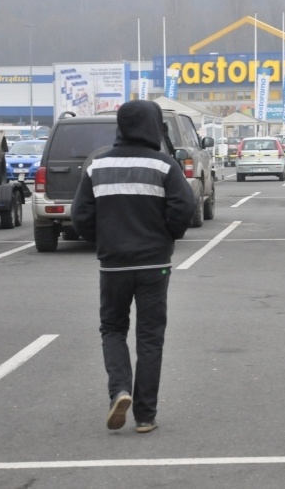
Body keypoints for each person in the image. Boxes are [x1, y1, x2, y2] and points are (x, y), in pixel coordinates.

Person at [73, 100, 195, 433]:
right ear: (153, 126)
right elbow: (184, 208)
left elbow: (81, 216)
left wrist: (104, 241)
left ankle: (120, 390)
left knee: (113, 329)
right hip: (155, 263)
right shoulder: (164, 165)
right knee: (150, 337)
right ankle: (145, 416)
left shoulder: (97, 166)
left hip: (113, 265)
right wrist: (166, 235)